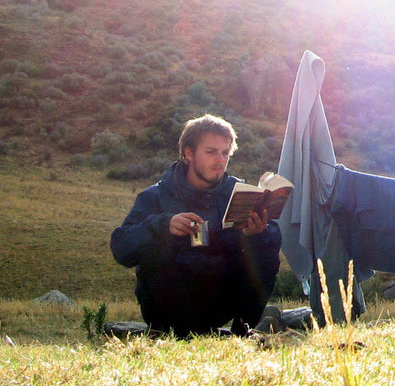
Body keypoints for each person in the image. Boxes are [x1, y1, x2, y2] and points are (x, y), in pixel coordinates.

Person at [110, 114, 282, 337]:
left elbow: (267, 246)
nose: (220, 160)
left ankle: (243, 328)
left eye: (225, 153)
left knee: (265, 248)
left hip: (220, 302)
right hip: (169, 305)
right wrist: (162, 225)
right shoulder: (156, 196)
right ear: (188, 153)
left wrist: (257, 235)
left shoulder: (237, 194)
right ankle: (168, 332)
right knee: (157, 245)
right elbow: (121, 248)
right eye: (211, 152)